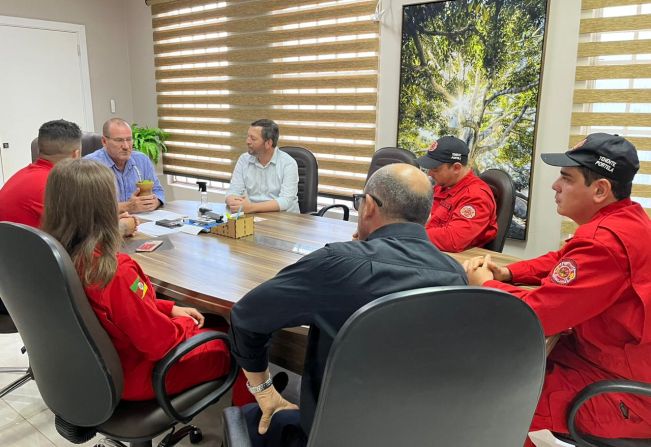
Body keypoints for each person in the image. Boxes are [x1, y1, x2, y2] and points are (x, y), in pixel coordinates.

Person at [229, 163, 468, 447]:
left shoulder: (336, 264)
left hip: (330, 432)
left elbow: (246, 316)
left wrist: (264, 390)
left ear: (368, 207)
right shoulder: (455, 274)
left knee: (247, 420)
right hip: (414, 429)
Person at [463, 133, 651, 443]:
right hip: (606, 361)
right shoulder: (626, 220)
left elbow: (535, 315)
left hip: (623, 393)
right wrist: (510, 272)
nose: (555, 186)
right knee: (495, 373)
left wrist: (488, 286)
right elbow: (563, 260)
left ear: (600, 190)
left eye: (566, 178)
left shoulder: (604, 244)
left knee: (489, 401)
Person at [40, 158, 230, 400]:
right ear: (105, 206)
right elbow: (160, 343)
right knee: (234, 340)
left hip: (91, 372)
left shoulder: (58, 255)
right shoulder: (112, 270)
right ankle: (249, 419)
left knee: (210, 324)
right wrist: (186, 326)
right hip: (138, 376)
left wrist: (169, 308)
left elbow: (119, 311)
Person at [0, 119, 137, 236]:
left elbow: (82, 223)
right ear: (76, 154)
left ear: (39, 150)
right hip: (40, 263)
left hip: (13, 260)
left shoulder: (21, 176)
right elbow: (83, 240)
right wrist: (122, 227)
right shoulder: (55, 185)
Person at [416, 136, 498, 252]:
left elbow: (453, 240)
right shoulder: (442, 185)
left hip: (456, 261)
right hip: (428, 250)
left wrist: (408, 234)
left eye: (435, 169)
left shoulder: (476, 196)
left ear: (456, 168)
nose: (430, 173)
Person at [85, 118, 165, 214]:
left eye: (129, 139)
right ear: (104, 141)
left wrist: (155, 202)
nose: (126, 146)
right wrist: (127, 207)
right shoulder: (89, 165)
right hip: (109, 225)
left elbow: (158, 190)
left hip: (143, 220)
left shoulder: (142, 160)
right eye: (119, 140)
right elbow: (88, 209)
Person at [226, 119, 299, 214]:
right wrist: (233, 202)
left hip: (285, 219)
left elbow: (286, 201)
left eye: (253, 138)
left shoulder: (288, 163)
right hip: (254, 216)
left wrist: (250, 207)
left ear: (268, 143)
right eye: (248, 136)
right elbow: (233, 191)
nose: (247, 141)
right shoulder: (244, 160)